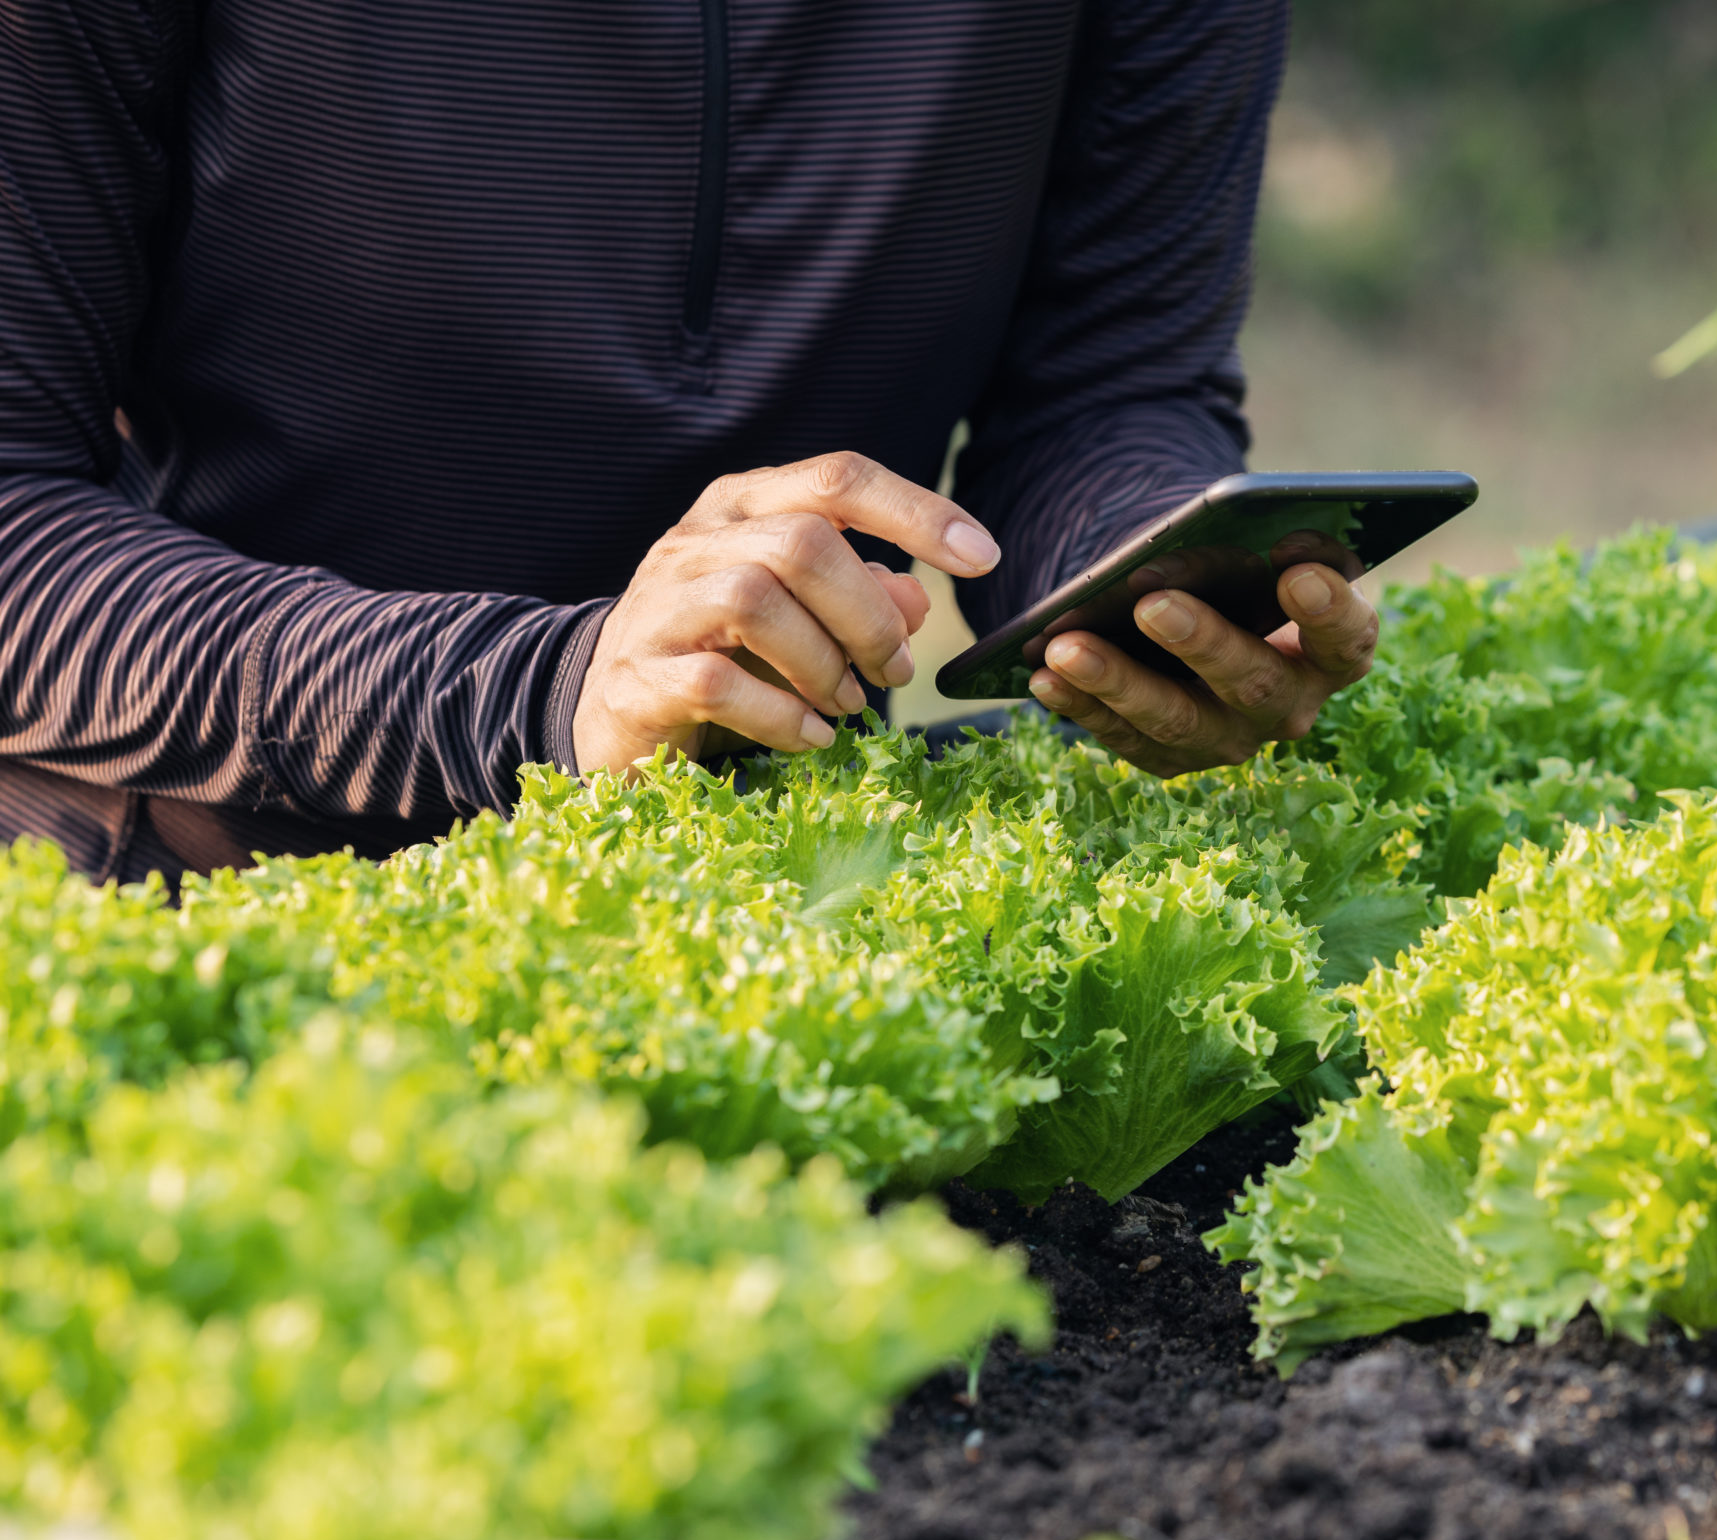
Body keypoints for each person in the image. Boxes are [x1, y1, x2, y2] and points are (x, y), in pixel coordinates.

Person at [0, 0, 1378, 886]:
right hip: (190, 889)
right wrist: (538, 688)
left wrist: (1157, 580)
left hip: (782, 914)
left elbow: (1108, 388)